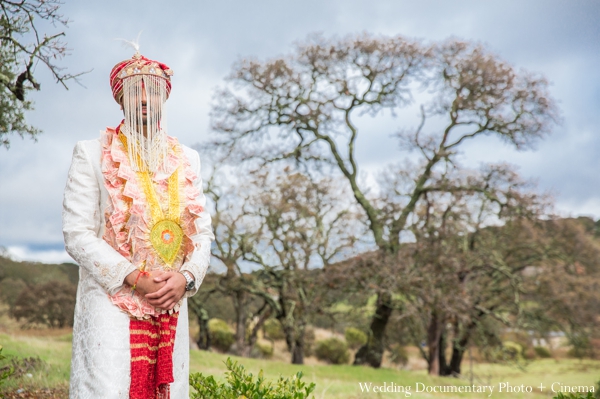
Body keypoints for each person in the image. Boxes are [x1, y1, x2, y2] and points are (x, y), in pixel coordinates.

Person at [62, 50, 214, 399]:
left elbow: (202, 233)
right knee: (107, 389)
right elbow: (77, 234)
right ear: (120, 98)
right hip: (111, 300)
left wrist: (186, 279)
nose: (144, 98)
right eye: (134, 90)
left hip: (170, 303)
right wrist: (135, 278)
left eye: (152, 90)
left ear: (165, 96)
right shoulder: (90, 153)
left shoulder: (188, 159)